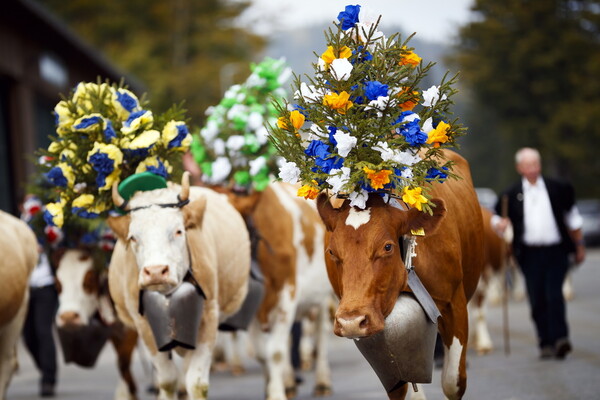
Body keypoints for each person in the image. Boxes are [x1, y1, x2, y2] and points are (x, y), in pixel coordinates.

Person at [493, 147, 585, 360]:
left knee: (554, 295)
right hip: (528, 254)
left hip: (556, 251)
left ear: (540, 165)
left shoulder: (557, 188)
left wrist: (579, 245)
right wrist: (501, 223)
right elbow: (495, 217)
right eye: (528, 165)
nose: (533, 169)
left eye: (536, 164)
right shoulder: (510, 194)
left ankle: (560, 339)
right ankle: (545, 342)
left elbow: (573, 217)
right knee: (537, 299)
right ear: (520, 168)